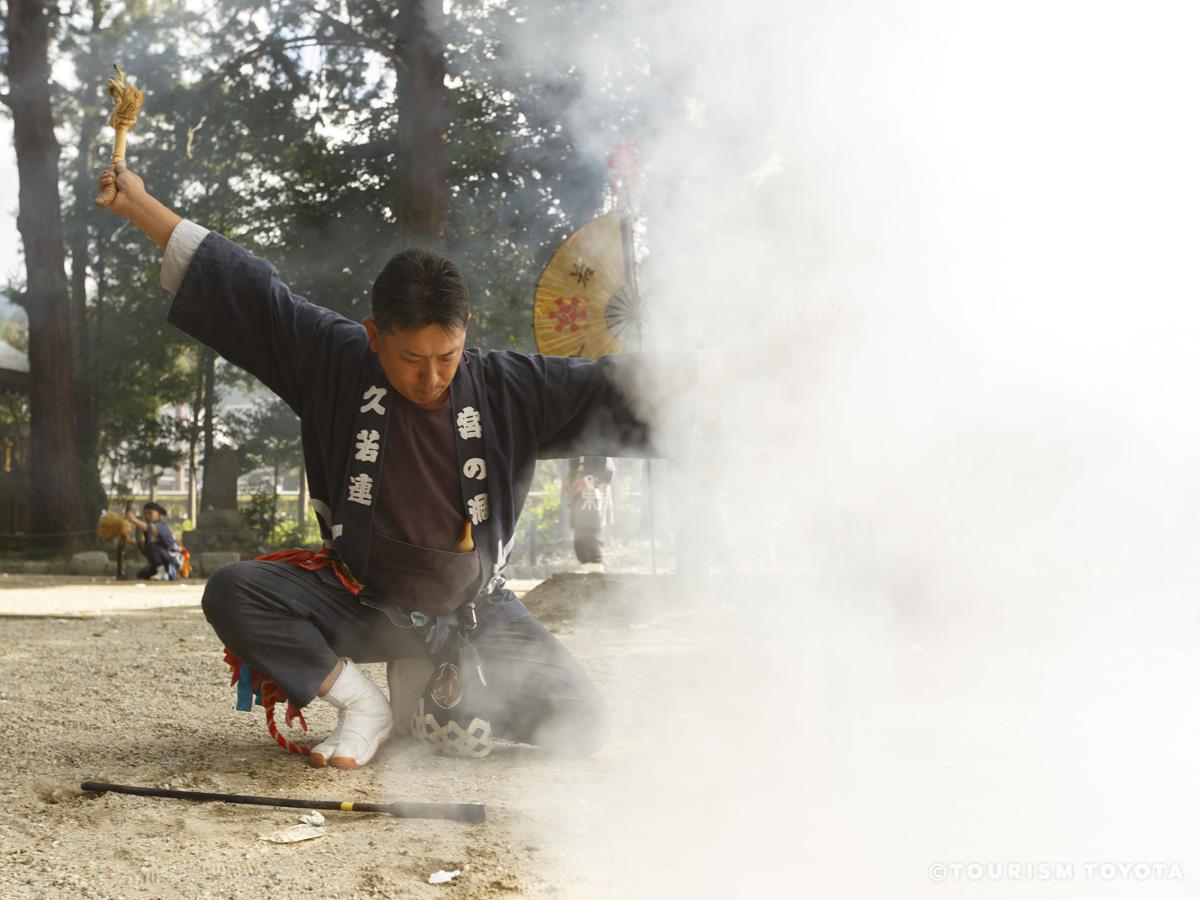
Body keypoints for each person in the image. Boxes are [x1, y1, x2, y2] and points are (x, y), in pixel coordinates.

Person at [99, 161, 670, 769]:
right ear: (374, 335)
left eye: (446, 357)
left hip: (476, 611)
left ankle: (436, 693)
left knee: (583, 719)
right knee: (236, 591)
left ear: (464, 333)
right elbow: (250, 293)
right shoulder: (334, 359)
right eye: (410, 358)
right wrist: (140, 206)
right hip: (365, 602)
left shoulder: (509, 389)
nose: (429, 377)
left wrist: (743, 379)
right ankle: (363, 704)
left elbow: (616, 387)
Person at [564, 456, 615, 569]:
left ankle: (597, 577)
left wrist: (589, 481)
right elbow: (576, 467)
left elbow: (608, 470)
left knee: (590, 538)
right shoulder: (577, 446)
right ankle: (588, 574)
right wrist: (569, 477)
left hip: (593, 495)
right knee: (579, 541)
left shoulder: (599, 444)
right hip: (578, 496)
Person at [125, 501, 182, 580]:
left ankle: (164, 573)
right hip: (163, 560)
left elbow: (148, 528)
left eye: (150, 513)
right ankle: (162, 572)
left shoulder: (162, 526)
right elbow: (143, 546)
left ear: (158, 514)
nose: (147, 515)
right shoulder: (149, 531)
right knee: (142, 575)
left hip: (171, 562)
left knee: (150, 546)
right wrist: (128, 540)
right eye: (145, 513)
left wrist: (133, 520)